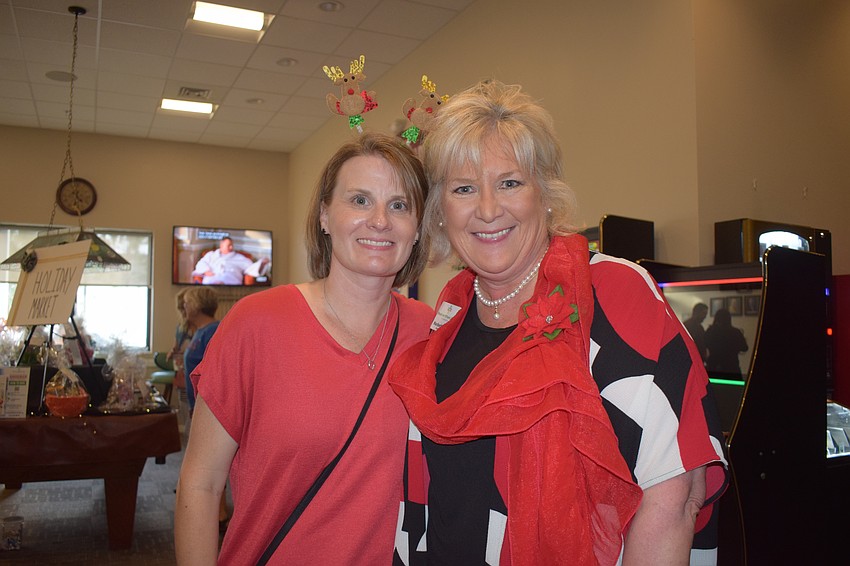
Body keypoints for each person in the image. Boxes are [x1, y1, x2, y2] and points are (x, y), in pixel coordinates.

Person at [387, 80, 728, 565]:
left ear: (545, 193)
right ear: (441, 210)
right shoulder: (451, 312)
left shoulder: (611, 293)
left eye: (510, 183)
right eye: (464, 188)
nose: (488, 209)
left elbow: (671, 494)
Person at [174, 132, 433, 564]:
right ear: (325, 216)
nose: (380, 221)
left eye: (399, 205)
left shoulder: (432, 333)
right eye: (360, 200)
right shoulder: (256, 324)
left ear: (418, 227)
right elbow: (200, 483)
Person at [181, 286, 221, 416]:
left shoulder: (212, 331)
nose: (184, 307)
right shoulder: (200, 331)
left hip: (207, 409)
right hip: (196, 404)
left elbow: (215, 373)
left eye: (187, 303)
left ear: (196, 306)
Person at [705, 307, 749, 379]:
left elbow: (705, 344)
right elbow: (745, 348)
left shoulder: (710, 331)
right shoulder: (735, 332)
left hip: (714, 366)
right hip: (732, 366)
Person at [166, 288, 194, 390]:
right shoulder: (180, 328)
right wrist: (172, 351)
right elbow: (176, 347)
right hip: (182, 368)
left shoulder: (201, 328)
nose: (182, 312)